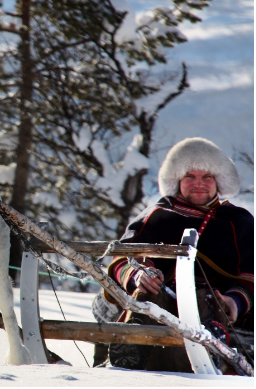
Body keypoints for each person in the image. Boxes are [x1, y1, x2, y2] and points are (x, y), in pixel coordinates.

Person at [101, 137, 254, 372]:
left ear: (219, 181)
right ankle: (131, 345)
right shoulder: (157, 216)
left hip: (217, 306)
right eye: (189, 176)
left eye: (207, 177)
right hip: (161, 301)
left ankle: (211, 347)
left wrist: (234, 301)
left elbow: (250, 273)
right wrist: (138, 274)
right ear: (177, 180)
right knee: (147, 293)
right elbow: (122, 258)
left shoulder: (239, 222)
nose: (198, 183)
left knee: (207, 298)